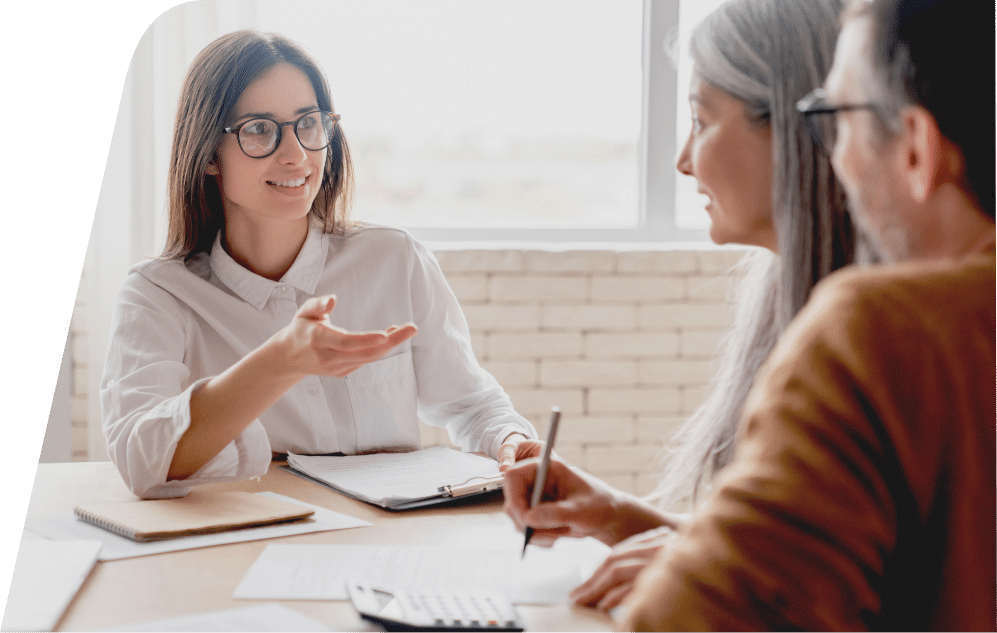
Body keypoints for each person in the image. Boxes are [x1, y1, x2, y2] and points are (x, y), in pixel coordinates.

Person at [505, 0, 995, 629]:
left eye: (833, 120)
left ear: (916, 150)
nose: (833, 156)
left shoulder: (881, 332)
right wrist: (637, 522)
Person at [101, 30, 539, 500]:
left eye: (307, 123)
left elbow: (473, 406)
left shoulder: (394, 259)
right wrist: (282, 360)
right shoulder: (157, 293)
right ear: (208, 154)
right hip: (251, 541)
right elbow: (141, 459)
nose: (296, 155)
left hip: (384, 539)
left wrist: (510, 440)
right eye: (259, 129)